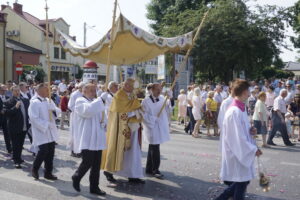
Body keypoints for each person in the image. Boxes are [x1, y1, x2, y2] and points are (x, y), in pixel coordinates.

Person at [216, 79, 262, 200]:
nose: (249, 93)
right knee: (241, 184)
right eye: (248, 90)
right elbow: (237, 138)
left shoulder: (241, 109)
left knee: (241, 183)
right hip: (236, 154)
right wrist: (253, 149)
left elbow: (242, 132)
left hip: (240, 153)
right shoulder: (234, 111)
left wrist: (251, 130)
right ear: (243, 92)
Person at [101, 78, 145, 184]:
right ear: (126, 85)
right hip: (120, 129)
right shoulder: (119, 95)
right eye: (131, 86)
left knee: (133, 152)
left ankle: (132, 174)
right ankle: (109, 171)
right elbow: (119, 114)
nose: (133, 88)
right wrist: (133, 112)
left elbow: (136, 107)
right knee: (117, 149)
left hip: (133, 127)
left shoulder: (132, 95)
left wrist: (137, 111)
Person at [71, 83, 106, 196]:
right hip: (87, 137)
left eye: (94, 90)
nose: (93, 92)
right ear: (84, 91)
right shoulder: (80, 101)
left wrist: (104, 123)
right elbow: (87, 112)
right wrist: (100, 99)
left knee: (96, 164)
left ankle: (94, 187)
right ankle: (77, 176)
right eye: (91, 90)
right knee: (87, 162)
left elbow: (103, 116)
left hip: (97, 137)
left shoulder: (96, 102)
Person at [29, 83, 60, 180]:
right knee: (43, 151)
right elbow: (34, 118)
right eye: (46, 90)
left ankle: (48, 173)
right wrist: (46, 124)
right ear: (39, 91)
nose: (48, 91)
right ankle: (35, 168)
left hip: (50, 131)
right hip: (41, 131)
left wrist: (54, 111)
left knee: (51, 152)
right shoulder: (34, 102)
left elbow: (56, 111)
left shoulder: (49, 100)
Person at [142, 83, 171, 179]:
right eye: (157, 89)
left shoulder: (163, 98)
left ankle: (149, 168)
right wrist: (153, 118)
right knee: (155, 147)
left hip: (159, 126)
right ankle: (155, 169)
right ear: (152, 90)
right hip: (152, 127)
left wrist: (169, 99)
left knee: (153, 146)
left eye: (160, 89)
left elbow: (168, 109)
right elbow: (143, 115)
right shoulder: (146, 101)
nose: (159, 91)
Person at [4, 85, 30, 168]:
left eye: (18, 90)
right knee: (15, 145)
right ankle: (16, 160)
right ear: (12, 92)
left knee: (20, 144)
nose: (17, 92)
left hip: (24, 126)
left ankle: (19, 157)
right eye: (15, 91)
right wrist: (15, 107)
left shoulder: (25, 100)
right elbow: (6, 113)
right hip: (14, 127)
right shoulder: (8, 101)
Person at [100, 81, 119, 183]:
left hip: (116, 122)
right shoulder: (106, 96)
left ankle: (112, 168)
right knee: (110, 147)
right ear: (111, 87)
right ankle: (107, 169)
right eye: (115, 86)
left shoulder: (116, 95)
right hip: (109, 123)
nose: (117, 88)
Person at [68, 82, 85, 157]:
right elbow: (70, 106)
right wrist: (79, 111)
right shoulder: (74, 94)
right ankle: (73, 150)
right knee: (74, 133)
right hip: (75, 116)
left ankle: (80, 150)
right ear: (81, 87)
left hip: (83, 117)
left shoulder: (84, 94)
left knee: (81, 134)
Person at [0, 84, 11, 154]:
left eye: (5, 90)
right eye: (2, 90)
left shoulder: (7, 97)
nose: (4, 91)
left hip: (6, 119)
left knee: (7, 134)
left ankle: (9, 148)